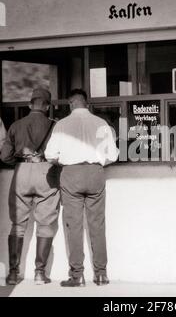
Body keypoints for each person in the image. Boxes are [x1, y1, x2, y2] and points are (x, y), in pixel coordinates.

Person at [45, 89, 119, 287]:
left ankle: (77, 275)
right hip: (96, 173)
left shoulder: (61, 125)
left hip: (71, 175)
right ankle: (101, 274)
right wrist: (96, 163)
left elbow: (50, 154)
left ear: (71, 104)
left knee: (74, 226)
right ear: (85, 103)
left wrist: (64, 162)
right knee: (97, 224)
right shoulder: (101, 123)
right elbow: (112, 155)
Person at [1, 88, 60, 285]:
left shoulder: (16, 125)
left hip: (22, 173)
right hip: (47, 173)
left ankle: (13, 273)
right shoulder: (55, 126)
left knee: (17, 224)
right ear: (48, 106)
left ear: (29, 104)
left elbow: (4, 156)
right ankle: (40, 274)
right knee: (45, 223)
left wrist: (19, 163)